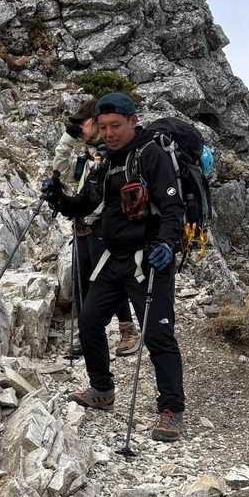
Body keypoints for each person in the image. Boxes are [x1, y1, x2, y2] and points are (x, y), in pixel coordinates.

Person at [42, 91, 186, 442]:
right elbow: (84, 204)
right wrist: (58, 197)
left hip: (149, 259)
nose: (109, 133)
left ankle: (171, 410)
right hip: (113, 258)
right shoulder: (105, 162)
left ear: (133, 122)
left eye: (116, 126)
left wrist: (167, 244)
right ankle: (102, 390)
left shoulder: (151, 155)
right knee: (90, 321)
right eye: (103, 126)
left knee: (158, 335)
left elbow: (173, 209)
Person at [60, 99, 139, 357]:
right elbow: (61, 170)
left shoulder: (110, 156)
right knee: (83, 280)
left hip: (103, 229)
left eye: (81, 124)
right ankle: (88, 335)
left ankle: (128, 331)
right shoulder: (89, 156)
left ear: (94, 122)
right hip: (83, 228)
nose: (79, 129)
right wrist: (68, 138)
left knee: (108, 280)